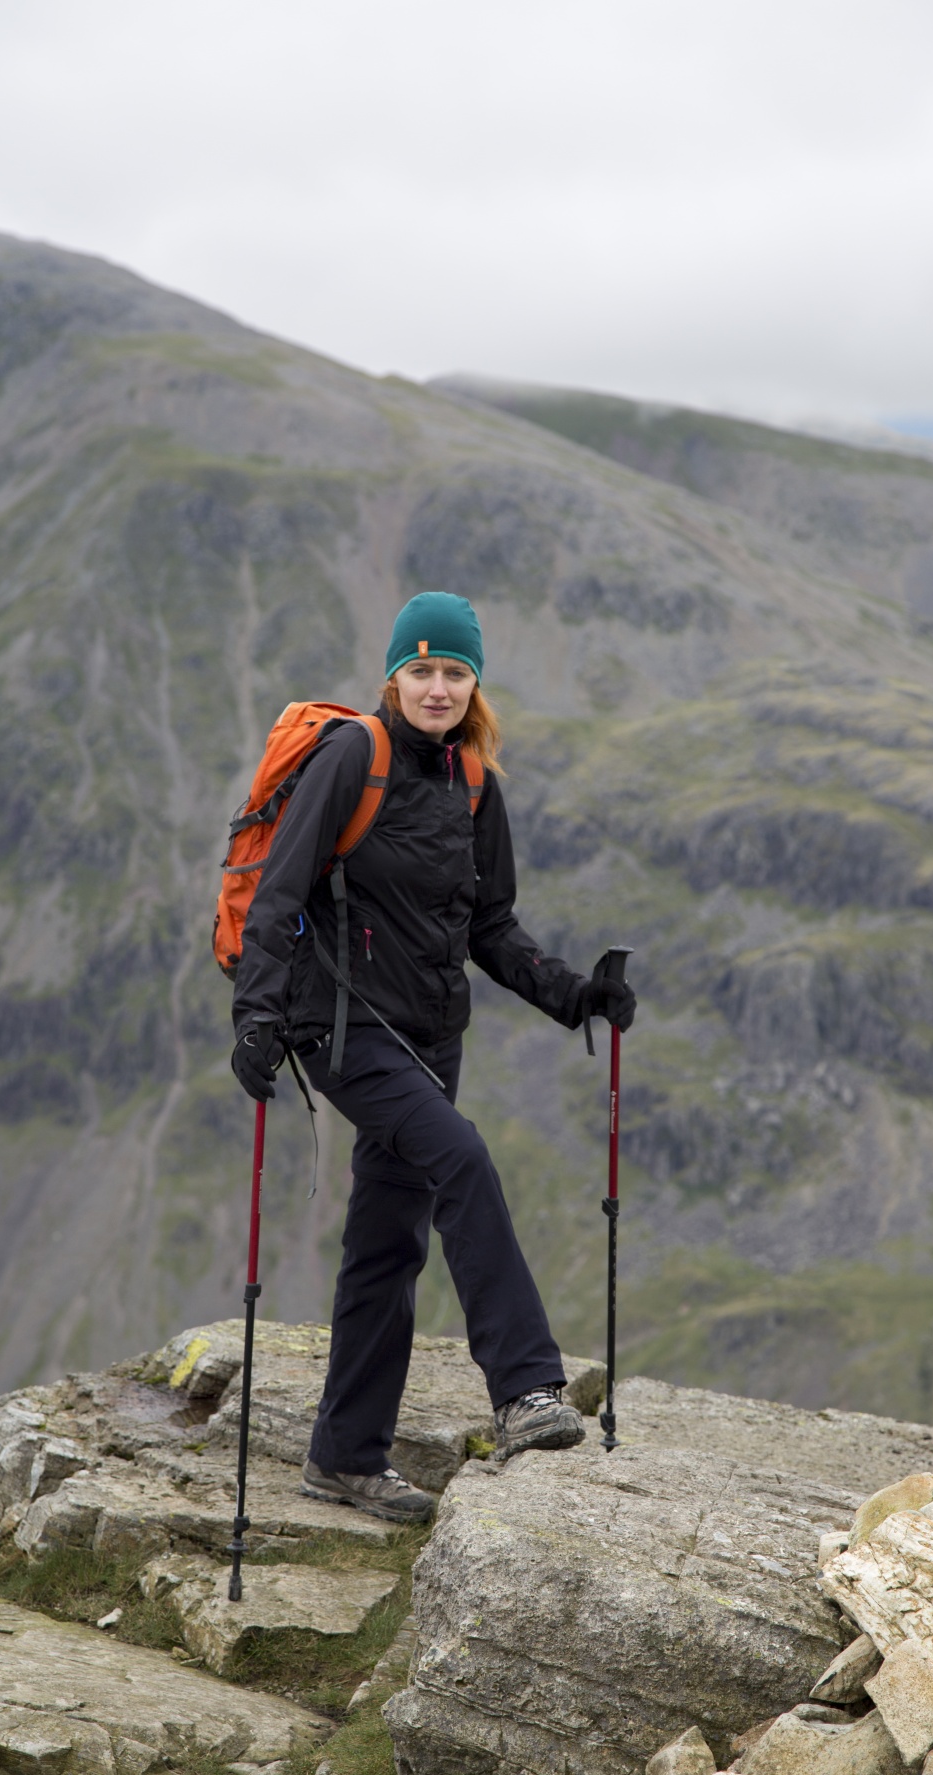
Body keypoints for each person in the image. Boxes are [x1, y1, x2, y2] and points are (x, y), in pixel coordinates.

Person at [230, 591, 636, 1522]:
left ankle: (342, 1457)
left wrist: (576, 994)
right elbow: (280, 892)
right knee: (459, 1154)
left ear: (475, 683)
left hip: (429, 1038)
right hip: (339, 1026)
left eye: (456, 671)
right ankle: (527, 1389)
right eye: (422, 670)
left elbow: (492, 927)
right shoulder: (352, 757)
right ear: (394, 677)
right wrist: (256, 1018)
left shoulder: (476, 784)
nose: (439, 687)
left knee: (387, 1244)